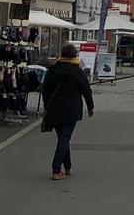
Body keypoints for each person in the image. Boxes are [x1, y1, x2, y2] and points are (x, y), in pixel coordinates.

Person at [42, 42, 94, 180]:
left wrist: (47, 105)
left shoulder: (53, 70)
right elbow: (86, 90)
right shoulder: (77, 71)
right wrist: (90, 107)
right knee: (64, 139)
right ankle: (56, 169)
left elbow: (45, 90)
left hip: (55, 109)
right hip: (71, 110)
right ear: (74, 55)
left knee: (63, 138)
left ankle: (68, 166)